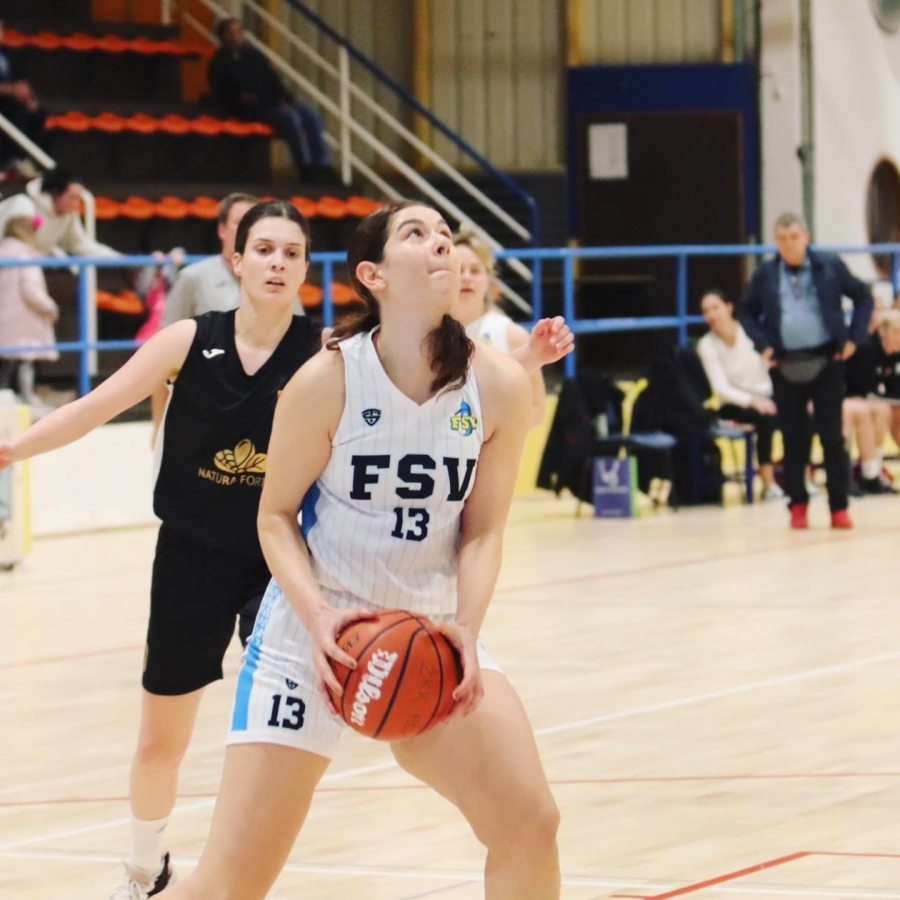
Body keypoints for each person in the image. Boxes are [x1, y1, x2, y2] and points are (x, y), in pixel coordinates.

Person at [161, 202, 561, 900]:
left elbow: (484, 531)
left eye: (445, 234)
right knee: (228, 886)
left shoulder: (498, 383)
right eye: (417, 233)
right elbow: (275, 518)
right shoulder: (327, 379)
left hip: (429, 630)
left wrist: (466, 629)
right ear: (373, 275)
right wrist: (318, 619)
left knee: (530, 823)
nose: (440, 243)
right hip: (311, 638)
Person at [0, 200, 324, 900]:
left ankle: (237, 874)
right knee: (158, 741)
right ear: (235, 259)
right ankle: (144, 870)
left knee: (271, 733)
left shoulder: (324, 353)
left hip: (277, 564)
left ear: (306, 268)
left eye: (291, 253)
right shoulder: (188, 339)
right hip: (190, 556)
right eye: (263, 249)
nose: (276, 263)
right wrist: (14, 448)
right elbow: (96, 405)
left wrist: (522, 363)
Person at [740, 212, 873, 529]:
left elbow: (863, 296)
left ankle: (838, 507)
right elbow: (745, 310)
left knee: (832, 436)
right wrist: (763, 345)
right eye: (782, 239)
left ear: (806, 237)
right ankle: (797, 504)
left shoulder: (829, 266)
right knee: (793, 438)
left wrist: (854, 338)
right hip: (784, 363)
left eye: (794, 237)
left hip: (827, 360)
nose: (788, 244)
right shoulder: (766, 274)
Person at [209, 18, 333, 184]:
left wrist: (287, 98)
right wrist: (242, 98)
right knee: (292, 118)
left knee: (312, 115)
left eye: (238, 32)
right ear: (222, 36)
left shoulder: (255, 56)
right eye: (230, 33)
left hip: (273, 101)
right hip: (253, 108)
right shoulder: (218, 62)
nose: (235, 37)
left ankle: (323, 165)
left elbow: (273, 79)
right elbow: (222, 93)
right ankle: (306, 167)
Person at [452, 229, 553, 427]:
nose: (466, 277)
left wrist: (488, 430)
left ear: (488, 279)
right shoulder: (430, 334)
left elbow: (537, 408)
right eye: (459, 270)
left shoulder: (512, 335)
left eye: (475, 270)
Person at [696, 290, 783, 500]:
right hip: (734, 404)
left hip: (766, 395)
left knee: (801, 413)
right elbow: (720, 388)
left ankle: (800, 477)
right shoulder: (706, 345)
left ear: (729, 308)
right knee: (766, 418)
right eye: (706, 311)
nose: (711, 315)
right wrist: (753, 402)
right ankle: (768, 484)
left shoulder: (751, 334)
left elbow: (771, 366)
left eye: (715, 308)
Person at [0, 214, 58, 418]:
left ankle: (10, 402)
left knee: (7, 362)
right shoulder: (26, 255)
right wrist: (49, 307)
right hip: (23, 319)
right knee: (24, 360)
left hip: (4, 319)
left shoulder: (3, 251)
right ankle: (26, 399)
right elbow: (31, 289)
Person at [0, 168, 117, 258]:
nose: (76, 204)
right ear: (56, 194)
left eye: (78, 199)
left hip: (26, 270)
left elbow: (80, 244)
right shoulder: (23, 206)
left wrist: (118, 259)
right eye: (72, 198)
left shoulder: (68, 215)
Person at [844, 308, 900, 494]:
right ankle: (865, 472)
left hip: (868, 399)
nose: (899, 337)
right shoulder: (866, 349)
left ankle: (872, 471)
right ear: (882, 331)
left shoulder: (894, 353)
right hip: (846, 396)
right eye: (896, 332)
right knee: (878, 410)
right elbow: (859, 388)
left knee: (889, 411)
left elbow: (894, 390)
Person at [0, 18, 48, 175]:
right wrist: (10, 90)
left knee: (37, 112)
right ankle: (12, 159)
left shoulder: (8, 56)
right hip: (4, 102)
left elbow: (21, 81)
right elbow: (10, 87)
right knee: (16, 112)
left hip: (11, 100)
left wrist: (29, 97)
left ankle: (26, 158)